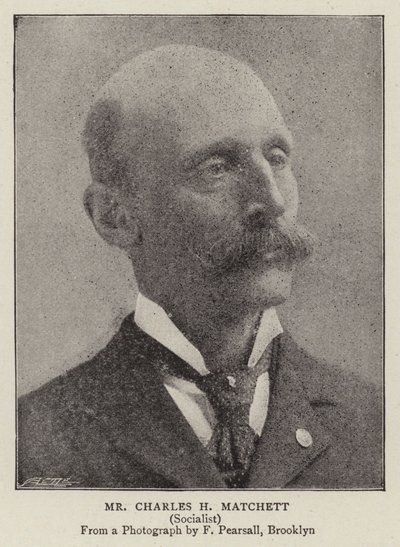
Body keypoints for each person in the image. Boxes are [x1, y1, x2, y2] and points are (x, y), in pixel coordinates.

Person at [18, 45, 382, 489]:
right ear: (115, 217)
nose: (273, 200)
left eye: (276, 157)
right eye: (217, 168)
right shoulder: (32, 439)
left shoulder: (375, 425)